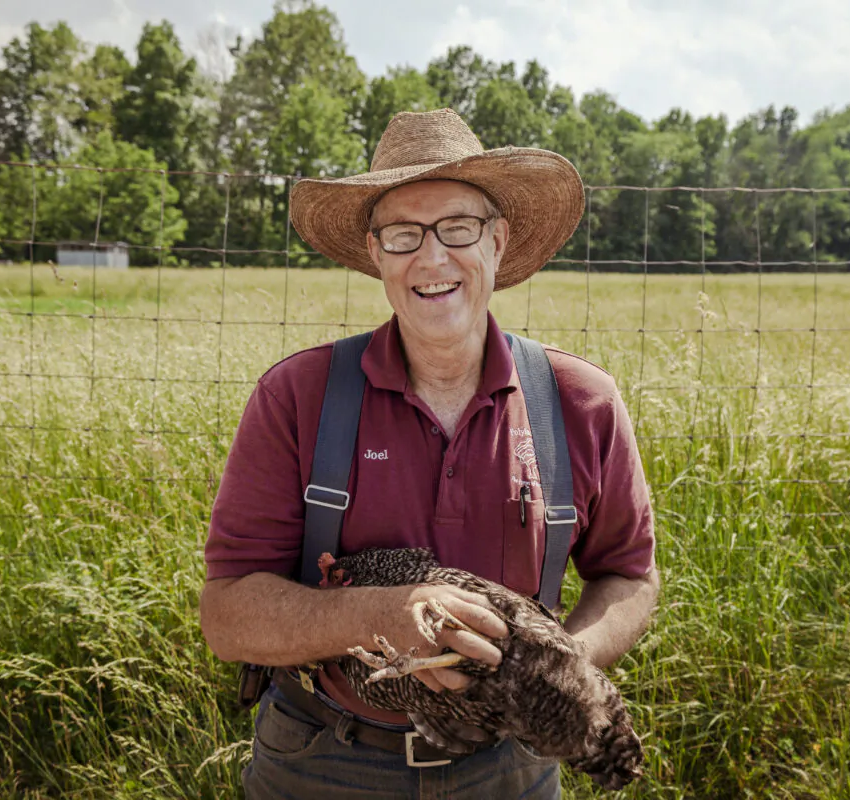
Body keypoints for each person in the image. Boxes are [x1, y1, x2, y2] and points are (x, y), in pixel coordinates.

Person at [199, 108, 658, 799]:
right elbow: (227, 614)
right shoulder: (298, 396)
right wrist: (380, 615)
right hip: (324, 760)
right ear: (376, 252)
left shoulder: (581, 402)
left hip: (511, 768)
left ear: (498, 243)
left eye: (458, 228)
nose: (433, 257)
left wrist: (547, 669)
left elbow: (630, 577)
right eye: (405, 234)